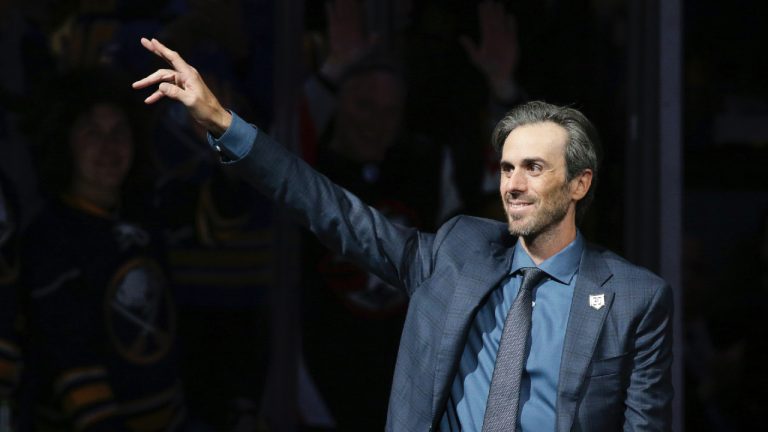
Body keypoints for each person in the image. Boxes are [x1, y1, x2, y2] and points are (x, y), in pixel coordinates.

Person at [134, 38, 673, 431]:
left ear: (580, 184)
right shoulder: (458, 252)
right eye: (507, 168)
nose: (513, 184)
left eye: (535, 167)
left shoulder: (635, 298)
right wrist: (225, 123)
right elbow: (328, 207)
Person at [19, 68, 186, 431]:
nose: (109, 147)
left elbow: (222, 219)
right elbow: (69, 357)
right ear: (66, 142)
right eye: (92, 133)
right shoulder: (50, 236)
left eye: (119, 132)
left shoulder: (145, 213)